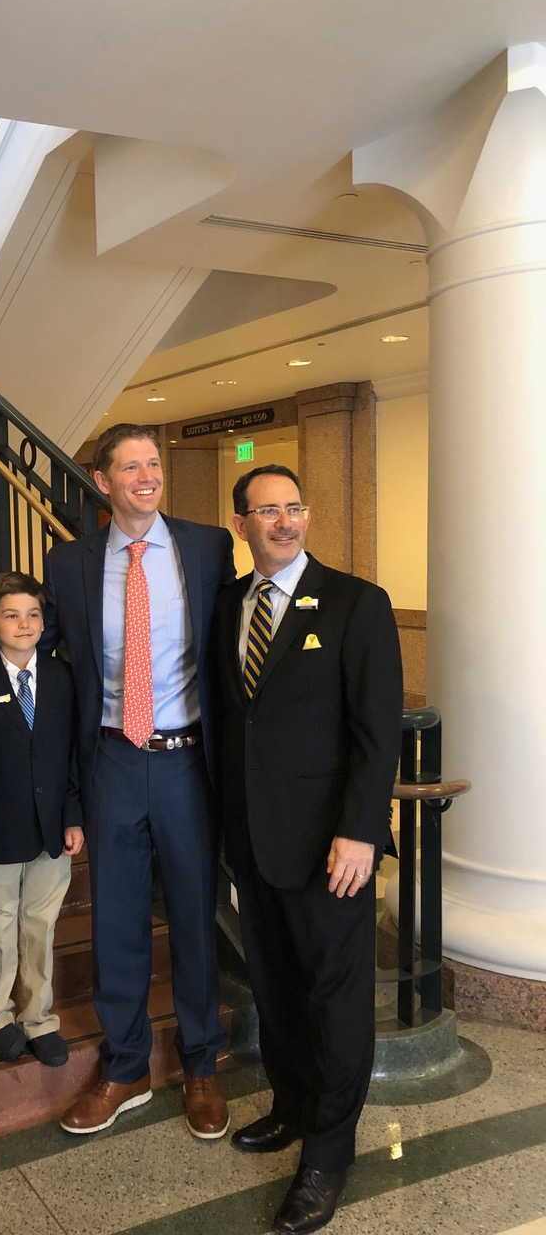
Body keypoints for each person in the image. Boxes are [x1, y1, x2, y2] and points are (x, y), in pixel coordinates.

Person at [215, 464, 402, 1235]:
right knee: (278, 986)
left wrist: (360, 830)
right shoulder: (229, 603)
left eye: (294, 508)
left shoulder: (358, 603)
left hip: (333, 847)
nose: (283, 522)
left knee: (333, 997)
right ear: (242, 525)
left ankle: (328, 1154)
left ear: (309, 514)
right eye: (267, 511)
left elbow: (375, 728)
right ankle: (291, 1107)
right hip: (253, 841)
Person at [41, 422, 235, 1138]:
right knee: (116, 919)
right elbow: (53, 671)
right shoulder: (69, 564)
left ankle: (202, 1064)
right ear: (104, 481)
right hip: (113, 759)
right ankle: (124, 1065)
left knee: (194, 915)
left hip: (189, 760)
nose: (148, 476)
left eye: (154, 463)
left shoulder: (210, 546)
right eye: (132, 466)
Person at [0, 571, 84, 1066]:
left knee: (41, 923)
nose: (24, 623)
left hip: (53, 828)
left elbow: (72, 754)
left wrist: (74, 816)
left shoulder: (60, 678)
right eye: (11, 615)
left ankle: (37, 1015)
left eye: (33, 614)